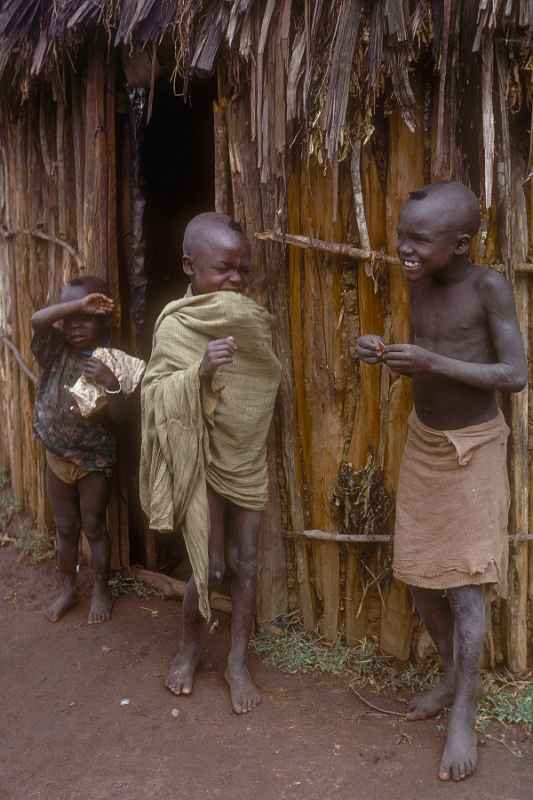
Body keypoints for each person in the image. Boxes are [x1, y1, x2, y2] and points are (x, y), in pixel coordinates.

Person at [356, 181, 527, 782]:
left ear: (459, 243)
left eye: (419, 240)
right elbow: (425, 349)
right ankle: (451, 675)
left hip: (474, 447)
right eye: (402, 234)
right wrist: (381, 351)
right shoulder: (418, 280)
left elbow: (515, 373)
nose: (404, 247)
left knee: (467, 585)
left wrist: (430, 363)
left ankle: (464, 712)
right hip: (426, 440)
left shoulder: (488, 287)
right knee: (421, 572)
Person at [140, 212, 281, 715]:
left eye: (243, 270)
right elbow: (155, 392)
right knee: (209, 562)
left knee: (245, 563)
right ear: (189, 265)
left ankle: (237, 662)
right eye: (224, 269)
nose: (236, 281)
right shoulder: (175, 326)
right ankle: (190, 647)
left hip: (244, 455)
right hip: (199, 460)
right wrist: (198, 371)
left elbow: (264, 382)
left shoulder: (248, 318)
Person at [32, 275, 126, 625]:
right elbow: (36, 320)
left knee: (93, 525)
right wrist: (76, 306)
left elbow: (121, 419)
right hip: (56, 453)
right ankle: (68, 587)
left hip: (94, 460)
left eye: (85, 318)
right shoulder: (55, 350)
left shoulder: (113, 360)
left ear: (102, 319)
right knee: (66, 527)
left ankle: (102, 586)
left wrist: (110, 382)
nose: (74, 327)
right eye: (69, 319)